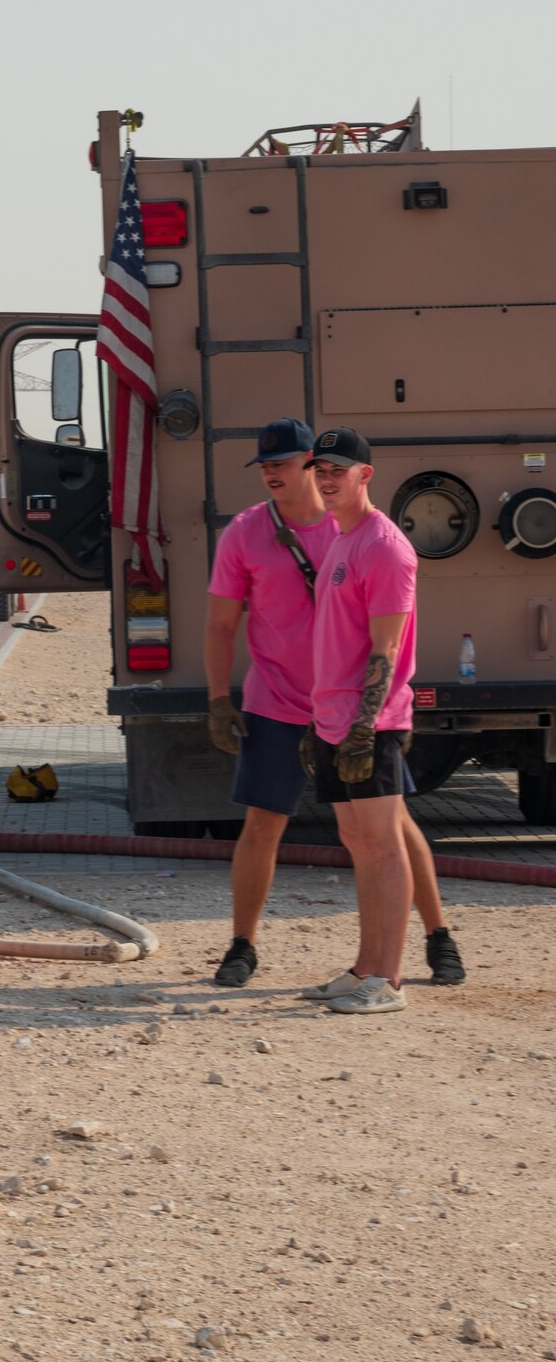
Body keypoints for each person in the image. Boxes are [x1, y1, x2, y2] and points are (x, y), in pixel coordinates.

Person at [203, 421, 463, 992]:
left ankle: (427, 945)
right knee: (293, 830)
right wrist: (219, 698)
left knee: (389, 833)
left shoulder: (367, 535)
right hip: (290, 705)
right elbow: (221, 622)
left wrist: (371, 721)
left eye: (293, 464)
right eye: (265, 465)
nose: (277, 473)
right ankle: (258, 948)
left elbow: (387, 642)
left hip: (356, 715)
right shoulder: (255, 533)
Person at [301, 427, 426, 1013]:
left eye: (337, 470)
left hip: (368, 723)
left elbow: (385, 649)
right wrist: (318, 720)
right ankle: (365, 967)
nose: (327, 480)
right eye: (320, 471)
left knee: (382, 845)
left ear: (365, 474)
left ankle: (390, 981)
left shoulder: (385, 546)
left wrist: (360, 726)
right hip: (333, 718)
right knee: (358, 844)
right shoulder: (340, 540)